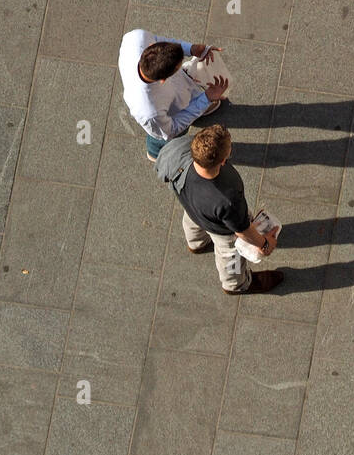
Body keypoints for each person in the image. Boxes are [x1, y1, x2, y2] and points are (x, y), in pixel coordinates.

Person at [157, 124, 283, 295]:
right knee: (230, 255)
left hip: (191, 206)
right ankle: (236, 285)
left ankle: (196, 244)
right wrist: (264, 244)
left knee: (192, 222)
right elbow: (243, 231)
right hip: (221, 230)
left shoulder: (177, 147)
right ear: (223, 160)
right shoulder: (227, 197)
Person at [118, 29, 228, 162]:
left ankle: (197, 104)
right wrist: (206, 98)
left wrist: (191, 49)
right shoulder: (150, 111)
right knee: (160, 138)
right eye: (179, 67)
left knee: (187, 93)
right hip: (167, 119)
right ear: (164, 79)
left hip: (178, 96)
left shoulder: (136, 38)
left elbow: (159, 40)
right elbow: (171, 130)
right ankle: (155, 152)